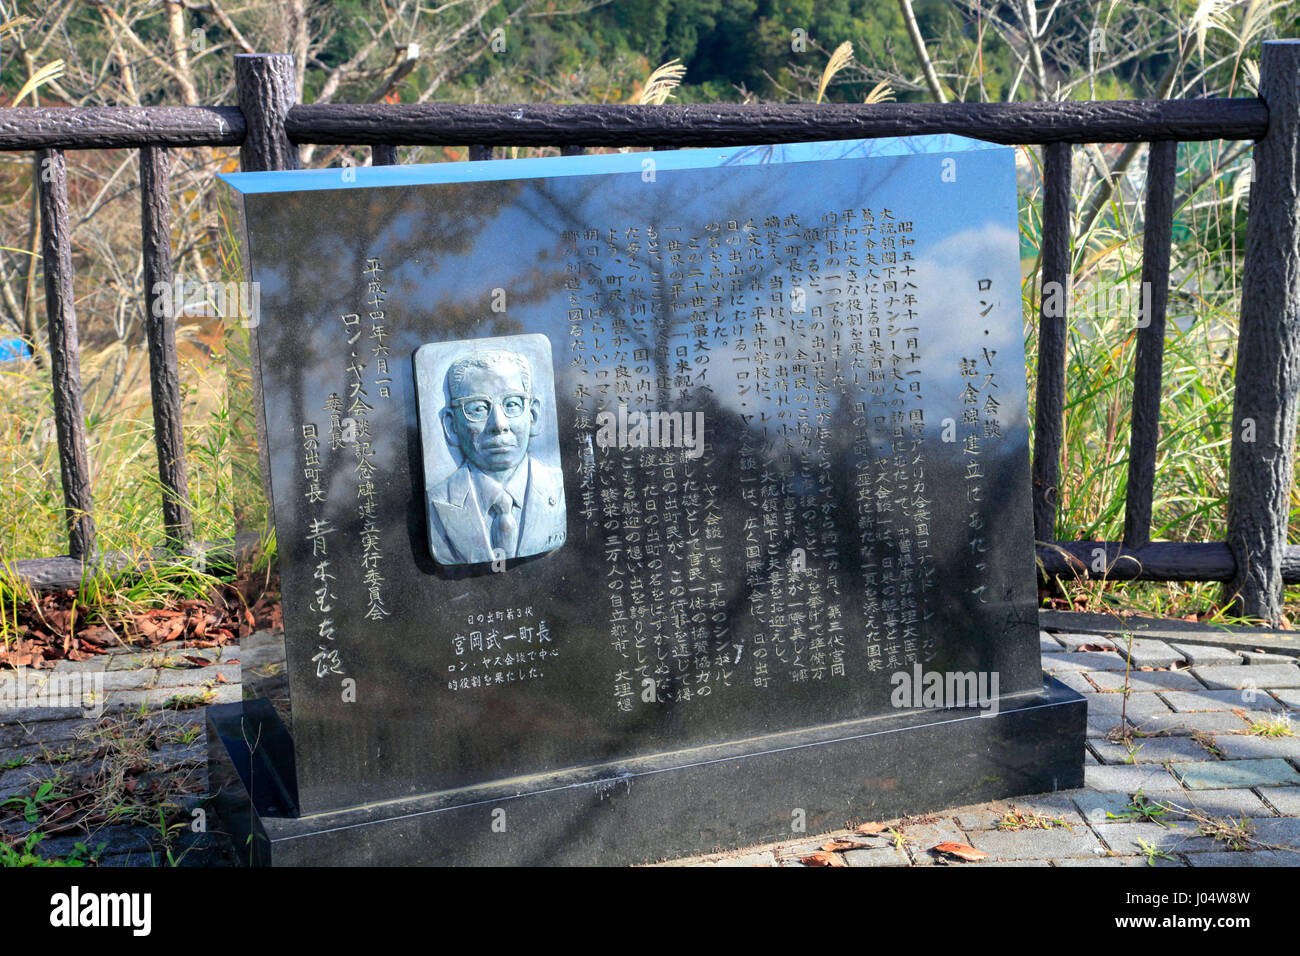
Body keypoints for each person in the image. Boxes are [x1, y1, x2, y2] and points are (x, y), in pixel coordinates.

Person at [427, 347, 565, 564]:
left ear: (533, 415)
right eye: (478, 408)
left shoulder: (558, 486)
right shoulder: (436, 501)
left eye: (512, 404)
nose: (499, 424)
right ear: (451, 425)